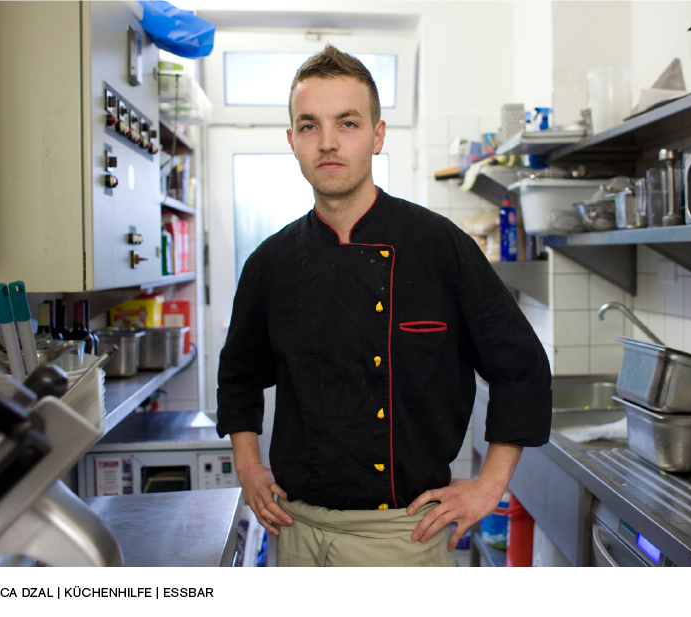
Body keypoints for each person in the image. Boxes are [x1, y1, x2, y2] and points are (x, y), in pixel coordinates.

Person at [216, 44, 552, 567]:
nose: (328, 143)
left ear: (376, 135)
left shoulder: (440, 247)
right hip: (297, 533)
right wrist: (248, 465)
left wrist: (490, 485)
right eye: (309, 126)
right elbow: (238, 375)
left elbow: (523, 368)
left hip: (403, 539)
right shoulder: (271, 263)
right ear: (292, 141)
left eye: (347, 123)